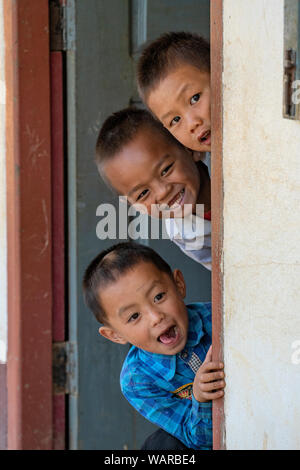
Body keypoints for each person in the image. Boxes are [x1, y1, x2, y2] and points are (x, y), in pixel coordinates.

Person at [82, 242, 225, 450]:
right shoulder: (137, 380)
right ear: (115, 335)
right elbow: (198, 440)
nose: (156, 317)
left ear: (179, 285)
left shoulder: (220, 319)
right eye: (134, 316)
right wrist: (200, 398)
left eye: (158, 297)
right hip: (202, 442)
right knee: (161, 447)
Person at [95, 107, 212, 270]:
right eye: (143, 194)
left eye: (166, 170)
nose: (163, 191)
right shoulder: (182, 234)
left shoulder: (225, 163)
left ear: (188, 149)